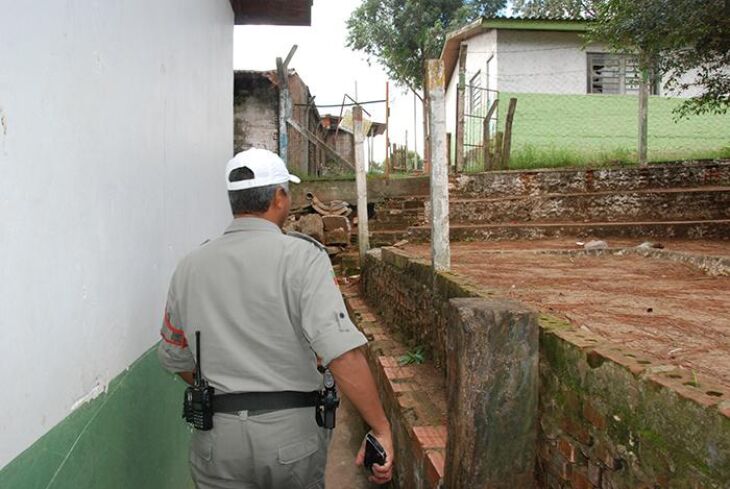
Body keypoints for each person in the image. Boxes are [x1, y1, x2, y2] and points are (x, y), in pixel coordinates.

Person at [157, 148, 393, 489]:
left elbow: (175, 356)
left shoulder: (189, 267)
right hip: (291, 439)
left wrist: (229, 390)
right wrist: (380, 427)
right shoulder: (304, 259)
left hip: (217, 441)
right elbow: (341, 353)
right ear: (280, 197)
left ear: (233, 200)